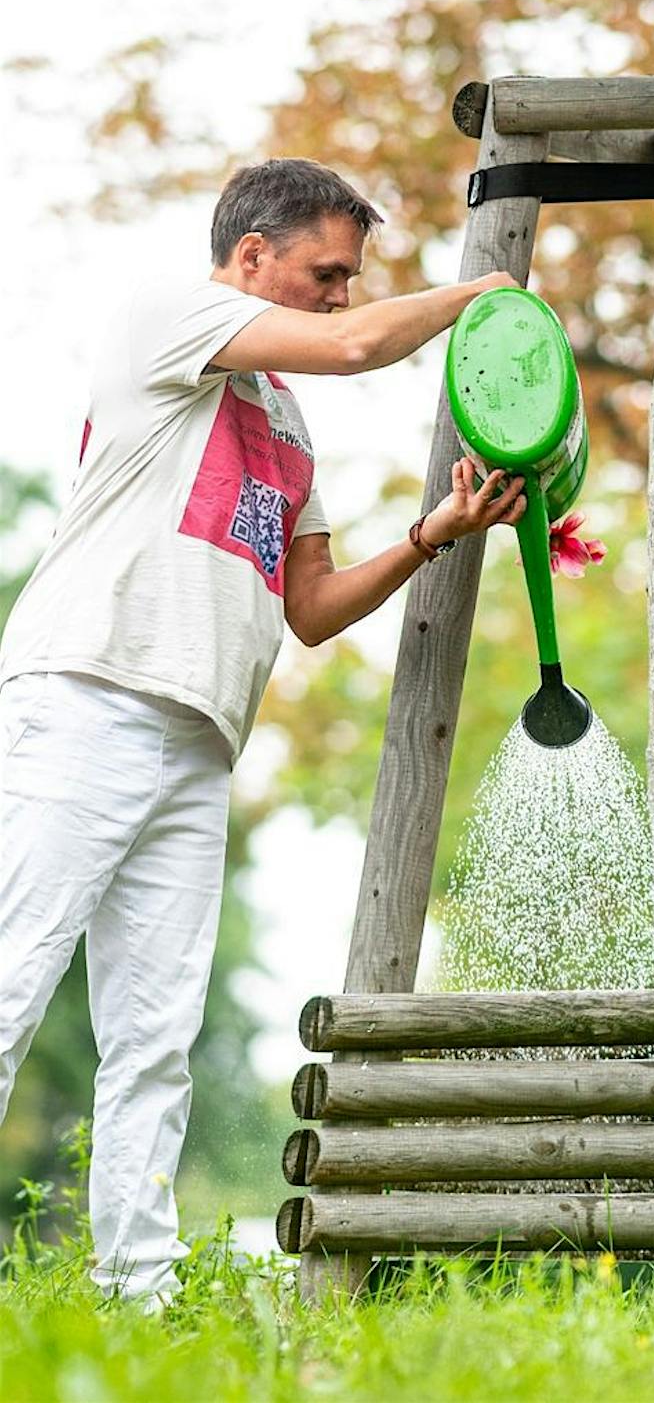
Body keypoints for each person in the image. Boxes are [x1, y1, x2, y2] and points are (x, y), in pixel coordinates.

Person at [0, 158, 525, 1305]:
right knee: (10, 983)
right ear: (251, 257)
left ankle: (135, 1294)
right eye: (325, 271)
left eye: (350, 279)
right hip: (87, 692)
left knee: (154, 1036)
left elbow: (314, 604)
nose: (340, 296)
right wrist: (484, 295)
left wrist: (431, 533)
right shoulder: (169, 317)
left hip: (196, 739)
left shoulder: (284, 425)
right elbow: (355, 346)